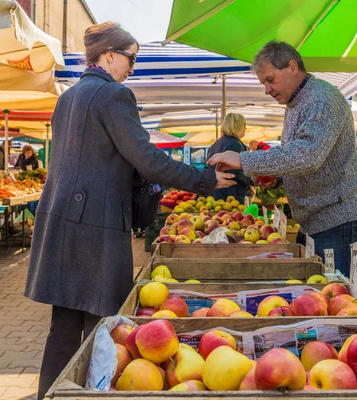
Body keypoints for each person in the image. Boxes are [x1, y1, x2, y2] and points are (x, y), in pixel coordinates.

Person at [24, 22, 235, 399]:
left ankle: (51, 395)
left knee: (63, 327)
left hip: (60, 224)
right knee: (102, 328)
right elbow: (148, 160)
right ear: (109, 55)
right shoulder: (113, 96)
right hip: (95, 227)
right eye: (130, 58)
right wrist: (203, 179)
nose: (133, 66)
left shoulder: (67, 98)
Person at [207, 40, 357, 277]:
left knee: (333, 295)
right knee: (313, 289)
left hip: (338, 220)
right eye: (263, 83)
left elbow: (307, 156)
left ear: (292, 67)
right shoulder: (296, 103)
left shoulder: (321, 99)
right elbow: (300, 158)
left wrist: (244, 159)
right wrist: (276, 180)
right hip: (316, 220)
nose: (267, 89)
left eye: (270, 80)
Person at [206, 113, 253, 203]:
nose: (245, 129)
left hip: (215, 193)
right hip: (230, 195)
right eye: (244, 125)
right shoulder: (235, 144)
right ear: (237, 126)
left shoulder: (216, 144)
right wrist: (251, 180)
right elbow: (235, 173)